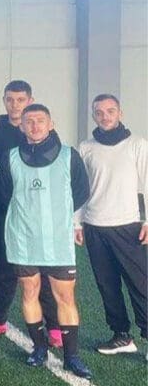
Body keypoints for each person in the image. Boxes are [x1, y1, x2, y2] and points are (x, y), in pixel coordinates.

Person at [0, 104, 91, 378]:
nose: (35, 126)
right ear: (21, 126)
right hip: (23, 239)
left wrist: (58, 216)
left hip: (58, 241)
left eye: (41, 121)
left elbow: (81, 191)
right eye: (29, 121)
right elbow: (5, 193)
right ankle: (39, 348)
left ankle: (71, 357)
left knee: (65, 297)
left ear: (51, 124)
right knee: (29, 293)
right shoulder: (10, 157)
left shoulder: (69, 156)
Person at [0, 80, 61, 345]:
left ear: (30, 100)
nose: (15, 105)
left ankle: (54, 326)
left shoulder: (46, 136)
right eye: (10, 99)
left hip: (36, 216)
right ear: (4, 101)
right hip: (1, 215)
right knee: (6, 266)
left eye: (20, 100)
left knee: (43, 268)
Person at [76, 94, 148, 356]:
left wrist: (147, 220)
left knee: (140, 285)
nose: (105, 116)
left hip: (128, 226)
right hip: (95, 226)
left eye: (110, 111)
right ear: (93, 115)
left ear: (120, 113)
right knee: (107, 285)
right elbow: (81, 189)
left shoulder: (137, 144)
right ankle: (121, 336)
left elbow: (147, 183)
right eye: (99, 112)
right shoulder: (86, 147)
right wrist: (77, 223)